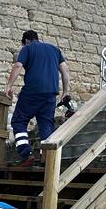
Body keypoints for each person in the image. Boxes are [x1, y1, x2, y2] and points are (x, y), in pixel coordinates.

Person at [4, 30, 72, 166]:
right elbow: (65, 70)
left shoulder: (27, 48)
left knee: (18, 121)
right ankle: (46, 158)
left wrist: (8, 86)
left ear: (26, 41)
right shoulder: (55, 50)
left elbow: (18, 65)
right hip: (51, 94)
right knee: (46, 124)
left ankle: (25, 153)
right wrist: (65, 91)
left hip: (32, 91)